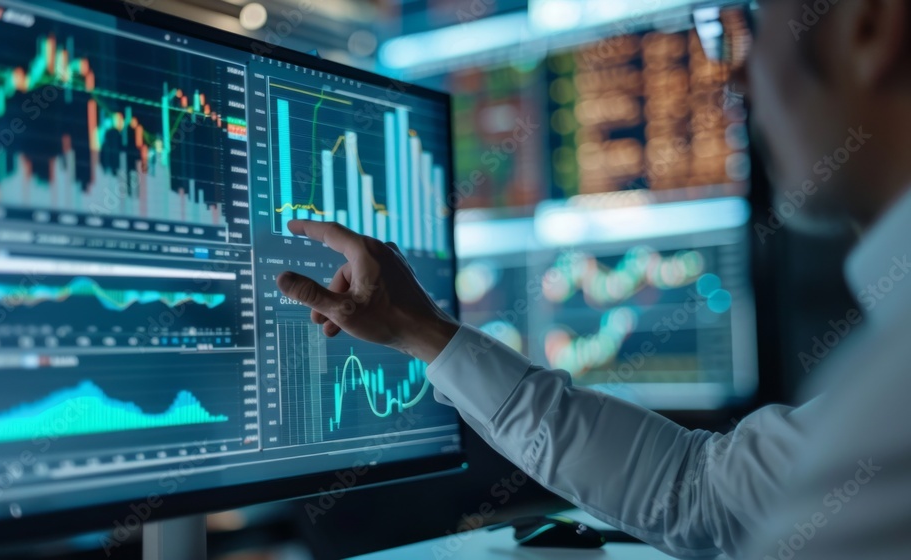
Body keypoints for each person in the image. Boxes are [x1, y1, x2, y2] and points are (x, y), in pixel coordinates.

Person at [276, 0, 911, 558]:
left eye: (753, 23)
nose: (737, 77)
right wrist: (421, 331)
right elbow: (706, 498)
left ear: (870, 25)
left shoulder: (885, 417)